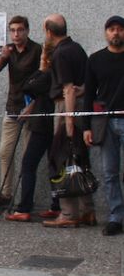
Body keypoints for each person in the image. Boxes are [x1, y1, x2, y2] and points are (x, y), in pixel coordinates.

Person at [0, 16, 42, 211]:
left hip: (31, 108)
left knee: (27, 156)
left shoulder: (36, 50)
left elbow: (44, 80)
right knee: (5, 151)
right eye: (13, 30)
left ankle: (24, 199)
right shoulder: (9, 50)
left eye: (20, 30)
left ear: (27, 31)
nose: (16, 34)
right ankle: (6, 193)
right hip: (12, 106)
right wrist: (3, 56)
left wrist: (33, 105)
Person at [43, 14, 95, 228]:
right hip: (82, 106)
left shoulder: (61, 53)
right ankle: (87, 210)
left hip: (67, 107)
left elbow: (69, 89)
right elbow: (83, 85)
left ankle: (68, 213)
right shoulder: (77, 48)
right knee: (80, 159)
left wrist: (69, 122)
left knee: (62, 159)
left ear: (49, 31)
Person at [6, 40, 61, 222]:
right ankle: (56, 205)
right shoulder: (59, 73)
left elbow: (28, 85)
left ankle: (25, 207)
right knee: (54, 165)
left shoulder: (46, 75)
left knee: (28, 164)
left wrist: (41, 68)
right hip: (53, 123)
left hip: (42, 125)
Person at [83, 15, 124, 236]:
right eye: (111, 29)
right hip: (105, 124)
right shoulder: (96, 59)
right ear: (105, 33)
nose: (116, 33)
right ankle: (116, 217)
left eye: (119, 29)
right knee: (109, 173)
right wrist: (86, 127)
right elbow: (88, 94)